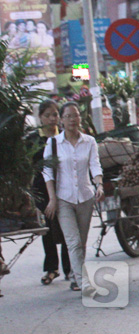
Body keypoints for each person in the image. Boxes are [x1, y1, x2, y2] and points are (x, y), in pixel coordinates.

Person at [43, 102, 104, 297]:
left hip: (85, 197)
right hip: (63, 199)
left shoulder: (89, 142)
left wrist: (99, 184)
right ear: (61, 120)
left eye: (75, 115)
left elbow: (95, 165)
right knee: (73, 241)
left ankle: (77, 275)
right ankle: (83, 282)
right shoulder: (53, 144)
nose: (72, 119)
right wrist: (52, 199)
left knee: (82, 242)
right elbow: (48, 173)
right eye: (68, 116)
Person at [29, 100, 71, 285]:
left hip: (64, 187)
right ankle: (52, 268)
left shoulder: (65, 137)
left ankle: (70, 269)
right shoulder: (33, 139)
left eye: (55, 115)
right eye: (48, 115)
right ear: (40, 118)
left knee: (67, 228)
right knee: (47, 229)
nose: (52, 119)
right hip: (41, 190)